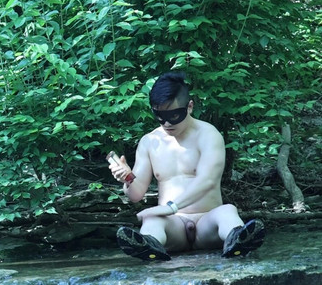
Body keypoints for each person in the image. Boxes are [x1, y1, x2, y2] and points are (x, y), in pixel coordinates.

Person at [108, 71, 265, 261]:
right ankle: (149, 245)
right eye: (160, 116)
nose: (166, 123)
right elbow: (135, 195)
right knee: (152, 220)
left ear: (189, 107)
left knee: (227, 211)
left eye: (174, 115)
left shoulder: (208, 134)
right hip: (174, 227)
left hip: (207, 222)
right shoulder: (150, 141)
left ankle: (236, 239)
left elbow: (207, 180)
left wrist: (170, 207)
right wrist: (127, 178)